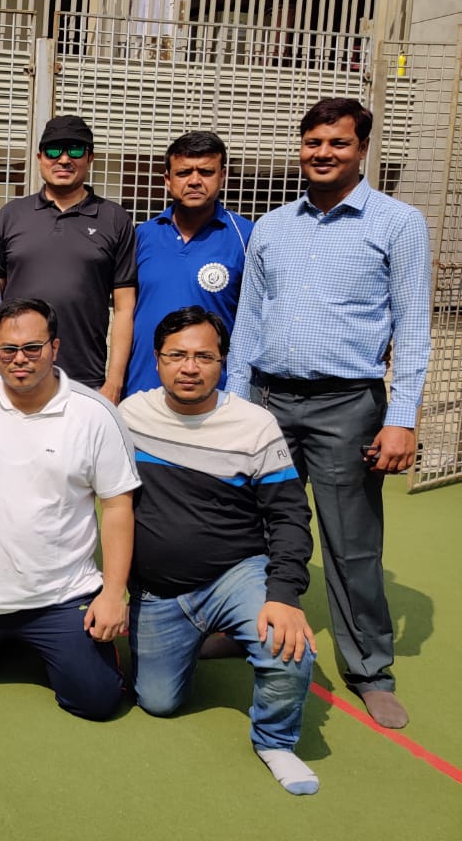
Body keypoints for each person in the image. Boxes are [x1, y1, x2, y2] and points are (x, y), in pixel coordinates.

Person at [227, 97, 431, 730]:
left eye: (337, 143)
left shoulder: (398, 222)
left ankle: (370, 668)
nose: (323, 153)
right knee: (250, 529)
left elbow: (414, 326)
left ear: (361, 148)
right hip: (266, 399)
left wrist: (401, 416)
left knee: (352, 544)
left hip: (349, 405)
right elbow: (248, 322)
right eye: (313, 142)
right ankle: (244, 630)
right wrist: (234, 404)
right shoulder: (272, 225)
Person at [120, 307, 319, 795]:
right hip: (158, 591)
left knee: (288, 650)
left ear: (223, 361)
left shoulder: (254, 424)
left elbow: (290, 517)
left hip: (236, 574)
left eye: (204, 356)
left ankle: (274, 741)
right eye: (177, 356)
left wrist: (285, 595)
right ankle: (203, 637)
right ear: (158, 359)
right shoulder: (129, 416)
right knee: (158, 702)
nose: (190, 367)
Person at [0, 298, 137, 720]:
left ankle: (56, 643)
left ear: (55, 347)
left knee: (97, 701)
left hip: (61, 594)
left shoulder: (96, 415)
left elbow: (118, 507)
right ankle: (6, 639)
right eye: (7, 350)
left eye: (32, 348)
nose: (20, 360)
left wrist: (112, 592)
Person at [0, 115, 136, 401]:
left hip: (85, 377)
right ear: (39, 157)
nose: (64, 159)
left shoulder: (114, 218)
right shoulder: (12, 215)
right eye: (54, 150)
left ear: (90, 158)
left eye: (76, 150)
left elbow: (124, 308)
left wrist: (114, 380)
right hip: (13, 373)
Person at [125, 131, 253, 396]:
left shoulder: (247, 237)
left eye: (205, 172)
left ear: (223, 176)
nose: (195, 181)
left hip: (212, 396)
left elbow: (254, 322)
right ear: (167, 180)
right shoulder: (142, 236)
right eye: (184, 173)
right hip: (142, 391)